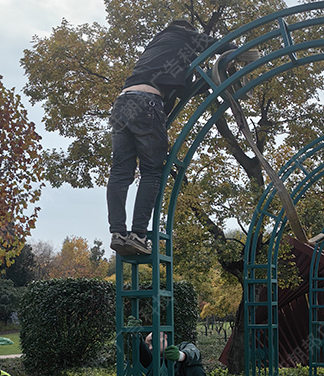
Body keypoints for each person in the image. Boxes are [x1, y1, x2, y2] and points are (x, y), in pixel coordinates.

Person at [107, 21, 257, 256]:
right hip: (147, 103)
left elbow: (187, 90)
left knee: (120, 172)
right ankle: (138, 235)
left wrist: (213, 76)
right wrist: (237, 54)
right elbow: (217, 45)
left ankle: (118, 233)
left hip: (122, 105)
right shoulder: (180, 34)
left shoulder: (158, 51)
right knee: (152, 171)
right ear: (186, 29)